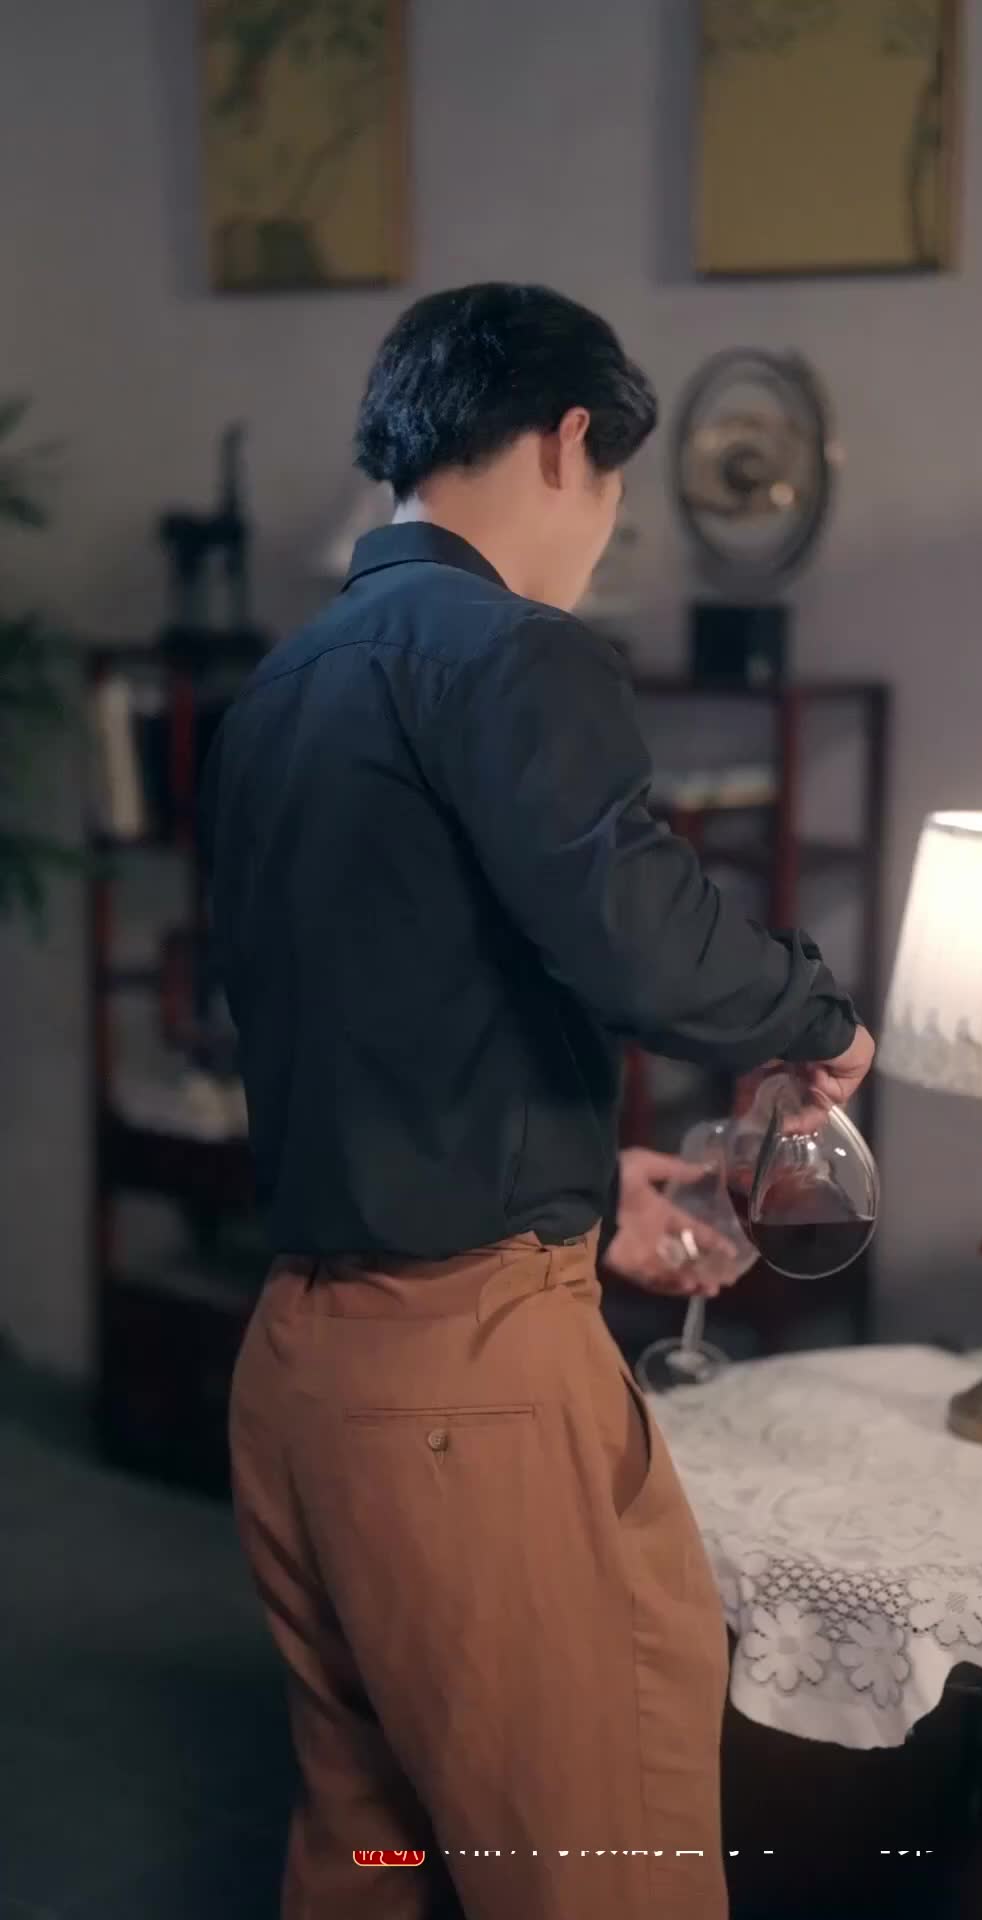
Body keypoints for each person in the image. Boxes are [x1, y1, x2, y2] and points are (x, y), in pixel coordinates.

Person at [203, 283, 874, 1920]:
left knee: (368, 1854)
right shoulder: (513, 650)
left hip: (299, 1378)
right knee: (602, 1876)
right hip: (464, 1401)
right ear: (574, 442)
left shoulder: (279, 690)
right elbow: (641, 938)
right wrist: (818, 1012)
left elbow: (382, 1007)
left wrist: (583, 1176)